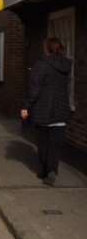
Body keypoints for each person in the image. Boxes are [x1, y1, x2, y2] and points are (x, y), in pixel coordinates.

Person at [20, 37, 72, 186]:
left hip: (43, 111)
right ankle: (52, 171)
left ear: (47, 48)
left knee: (43, 144)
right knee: (55, 145)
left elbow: (34, 90)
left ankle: (45, 170)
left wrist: (25, 106)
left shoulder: (41, 65)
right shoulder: (66, 65)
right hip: (61, 111)